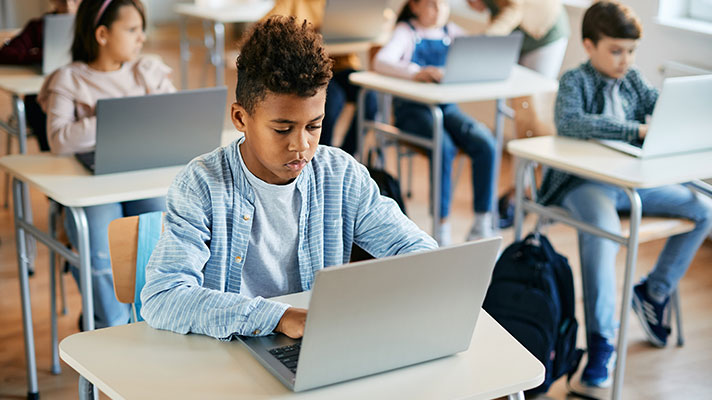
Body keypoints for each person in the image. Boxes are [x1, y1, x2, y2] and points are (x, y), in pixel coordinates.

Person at [140, 15, 436, 340]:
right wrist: (279, 317)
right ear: (240, 117)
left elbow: (413, 248)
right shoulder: (201, 185)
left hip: (310, 346)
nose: (302, 145)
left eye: (314, 126)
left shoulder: (341, 175)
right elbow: (163, 297)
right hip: (225, 349)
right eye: (282, 129)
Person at [538, 1, 712, 388]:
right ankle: (602, 343)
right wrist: (634, 131)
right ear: (588, 45)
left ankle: (653, 293)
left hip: (630, 183)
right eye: (616, 50)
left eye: (631, 51)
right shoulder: (574, 80)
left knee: (704, 209)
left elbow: (661, 108)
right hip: (582, 185)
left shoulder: (632, 79)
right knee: (602, 234)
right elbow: (570, 121)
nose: (625, 60)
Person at [37, 0, 175, 329]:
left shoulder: (148, 70)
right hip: (91, 184)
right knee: (99, 248)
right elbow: (59, 139)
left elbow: (172, 115)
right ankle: (109, 326)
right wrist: (119, 118)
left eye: (142, 30)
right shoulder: (69, 79)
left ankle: (149, 321)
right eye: (131, 30)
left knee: (161, 234)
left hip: (142, 174)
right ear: (102, 34)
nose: (141, 38)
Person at [373, 0, 497, 246]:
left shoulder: (452, 32)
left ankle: (482, 221)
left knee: (486, 143)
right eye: (432, 4)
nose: (439, 10)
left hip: (446, 109)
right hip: (413, 112)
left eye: (444, 4)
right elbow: (381, 61)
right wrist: (414, 72)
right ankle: (442, 226)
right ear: (416, 6)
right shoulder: (406, 32)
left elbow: (478, 52)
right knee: (445, 146)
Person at [466, 0, 570, 228]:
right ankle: (519, 190)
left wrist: (487, 38)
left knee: (532, 117)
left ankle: (523, 193)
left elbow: (514, 8)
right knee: (516, 115)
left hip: (545, 34)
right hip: (519, 35)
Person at [262, 0, 377, 155]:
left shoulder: (343, 4)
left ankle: (346, 156)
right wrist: (308, 34)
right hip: (311, 68)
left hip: (342, 65)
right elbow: (266, 27)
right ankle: (319, 155)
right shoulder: (293, 2)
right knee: (332, 98)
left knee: (370, 98)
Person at [0, 0, 82, 151]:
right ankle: (51, 155)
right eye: (63, 2)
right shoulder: (39, 26)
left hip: (80, 91)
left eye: (75, 1)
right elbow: (5, 54)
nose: (69, 6)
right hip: (43, 95)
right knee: (39, 105)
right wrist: (42, 57)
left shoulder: (92, 26)